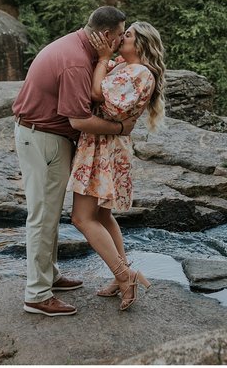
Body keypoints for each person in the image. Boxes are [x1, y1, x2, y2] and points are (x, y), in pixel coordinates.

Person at [11, 5, 138, 317]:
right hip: (44, 139)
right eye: (120, 35)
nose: (122, 40)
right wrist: (120, 128)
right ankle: (37, 295)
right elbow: (79, 120)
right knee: (42, 216)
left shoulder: (79, 47)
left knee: (50, 213)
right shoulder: (76, 62)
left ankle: (49, 276)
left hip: (46, 137)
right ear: (106, 35)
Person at [68, 21, 166, 311]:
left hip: (105, 148)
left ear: (141, 44)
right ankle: (120, 273)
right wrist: (105, 59)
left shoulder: (141, 73)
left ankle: (126, 277)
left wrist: (101, 59)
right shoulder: (124, 65)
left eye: (129, 34)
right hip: (102, 143)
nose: (122, 37)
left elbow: (98, 95)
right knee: (102, 215)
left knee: (82, 218)